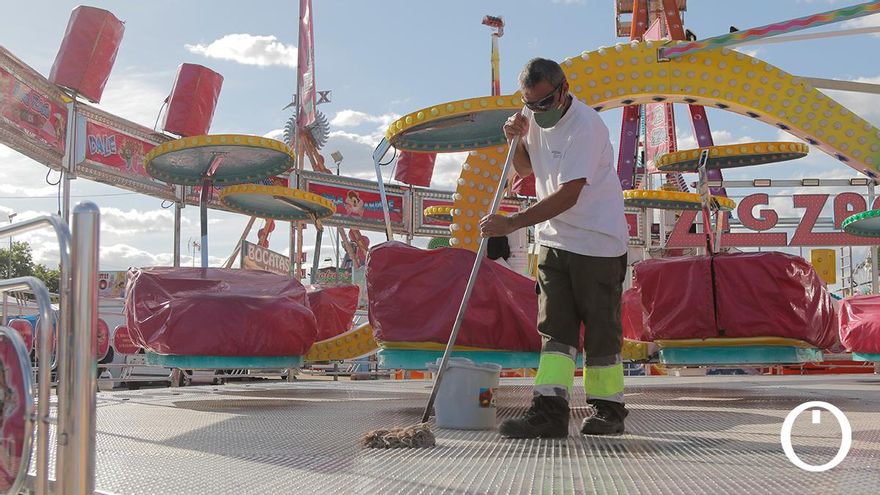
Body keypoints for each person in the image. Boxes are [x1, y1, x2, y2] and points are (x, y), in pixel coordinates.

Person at [479, 57, 629, 438]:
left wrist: (512, 223)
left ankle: (607, 410)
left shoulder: (586, 126)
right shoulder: (531, 116)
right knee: (554, 330)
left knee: (600, 330)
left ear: (563, 90)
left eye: (545, 103)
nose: (539, 112)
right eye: (531, 104)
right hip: (553, 241)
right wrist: (513, 138)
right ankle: (549, 411)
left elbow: (569, 195)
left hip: (597, 242)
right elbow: (526, 168)